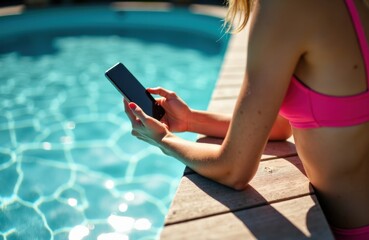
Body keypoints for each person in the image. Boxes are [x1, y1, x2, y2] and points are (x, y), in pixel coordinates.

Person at [123, 0, 369, 239]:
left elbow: (234, 170)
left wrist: (163, 139)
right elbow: (281, 126)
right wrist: (190, 121)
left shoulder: (284, 6)